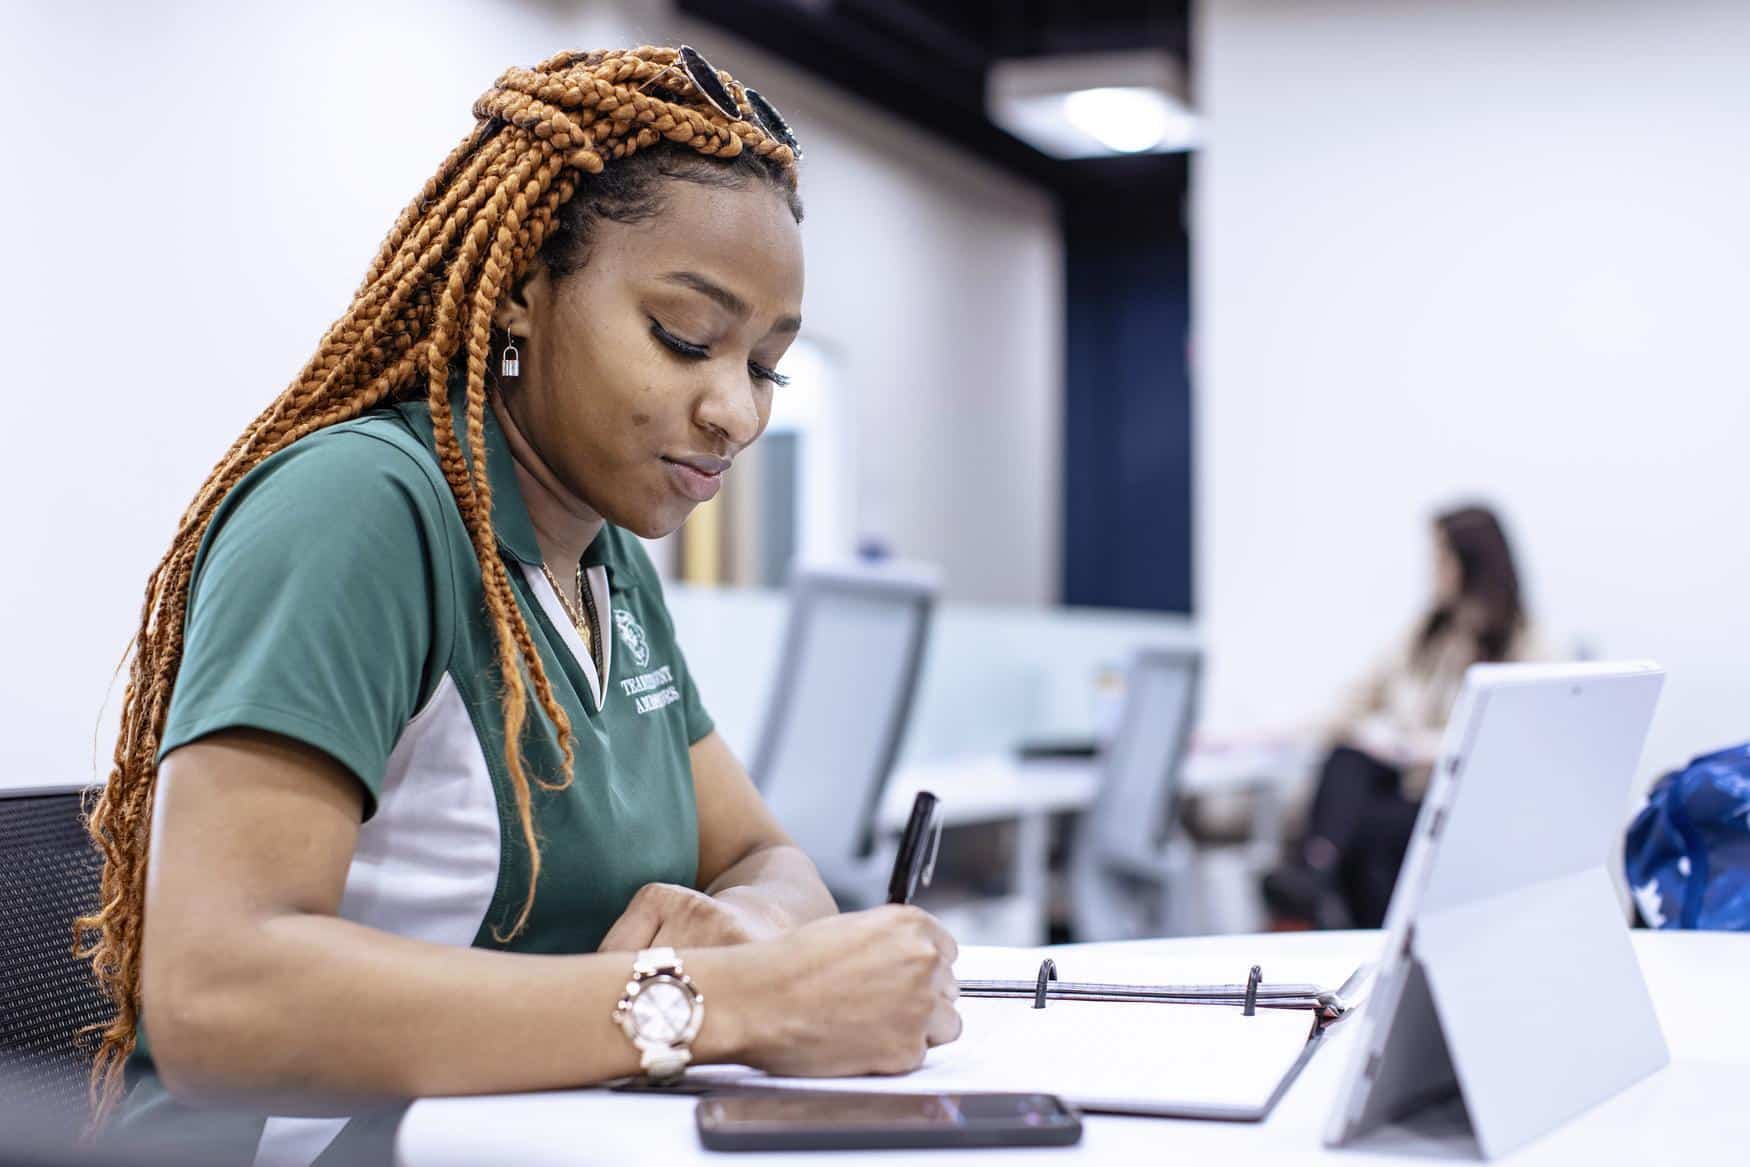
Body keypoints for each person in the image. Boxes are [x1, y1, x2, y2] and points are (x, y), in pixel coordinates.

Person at [76, 46, 960, 1163]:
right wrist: (724, 1003)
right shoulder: (361, 511)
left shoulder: (600, 555)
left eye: (767, 366)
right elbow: (218, 999)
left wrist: (754, 937)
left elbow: (766, 860)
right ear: (522, 291)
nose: (735, 410)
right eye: (686, 339)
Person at [1264, 504, 1544, 930]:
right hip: (1404, 789)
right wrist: (1273, 732)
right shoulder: (1425, 636)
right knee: (1346, 758)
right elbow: (1353, 700)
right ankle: (1314, 870)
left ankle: (1314, 875)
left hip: (1459, 801)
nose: (1433, 573)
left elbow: (1512, 741)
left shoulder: (1524, 646)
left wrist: (1421, 749)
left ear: (1471, 564)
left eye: (1441, 561)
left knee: (1365, 830)